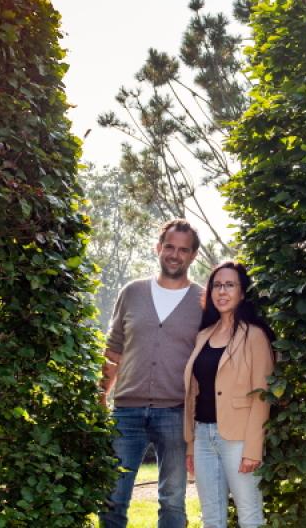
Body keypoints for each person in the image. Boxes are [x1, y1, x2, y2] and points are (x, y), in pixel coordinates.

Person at [99, 219, 204, 528]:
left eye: (183, 250)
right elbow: (114, 349)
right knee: (112, 498)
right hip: (127, 412)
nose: (175, 254)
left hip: (175, 412)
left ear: (193, 256)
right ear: (158, 248)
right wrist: (100, 394)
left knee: (172, 501)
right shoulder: (132, 292)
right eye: (169, 247)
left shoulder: (202, 301)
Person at [183, 261, 276, 528]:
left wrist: (253, 449)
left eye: (230, 285)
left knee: (249, 515)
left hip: (238, 439)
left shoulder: (255, 336)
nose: (222, 291)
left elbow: (262, 396)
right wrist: (191, 444)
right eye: (217, 285)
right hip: (203, 436)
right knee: (212, 518)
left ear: (242, 293)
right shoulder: (203, 335)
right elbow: (194, 394)